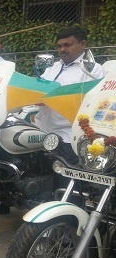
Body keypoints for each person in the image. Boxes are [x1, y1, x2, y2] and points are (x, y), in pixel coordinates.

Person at [36, 26, 104, 160]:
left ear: (82, 44)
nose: (62, 50)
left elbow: (92, 103)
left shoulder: (92, 70)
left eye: (67, 45)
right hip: (42, 132)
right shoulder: (53, 68)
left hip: (68, 136)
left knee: (64, 178)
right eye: (59, 46)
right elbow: (39, 89)